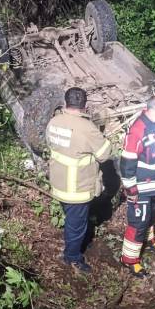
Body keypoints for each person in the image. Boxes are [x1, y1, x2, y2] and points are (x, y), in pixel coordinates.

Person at [45, 87, 114, 274]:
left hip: (58, 183)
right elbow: (105, 154)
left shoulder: (54, 121)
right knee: (77, 225)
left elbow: (50, 144)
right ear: (85, 105)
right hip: (77, 189)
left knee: (71, 220)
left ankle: (71, 246)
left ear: (66, 102)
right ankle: (72, 258)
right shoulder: (87, 128)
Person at [118, 96, 155, 276]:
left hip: (154, 186)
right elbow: (127, 163)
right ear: (152, 110)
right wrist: (130, 190)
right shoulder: (138, 130)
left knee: (150, 217)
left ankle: (148, 241)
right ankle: (129, 259)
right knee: (138, 223)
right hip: (140, 188)